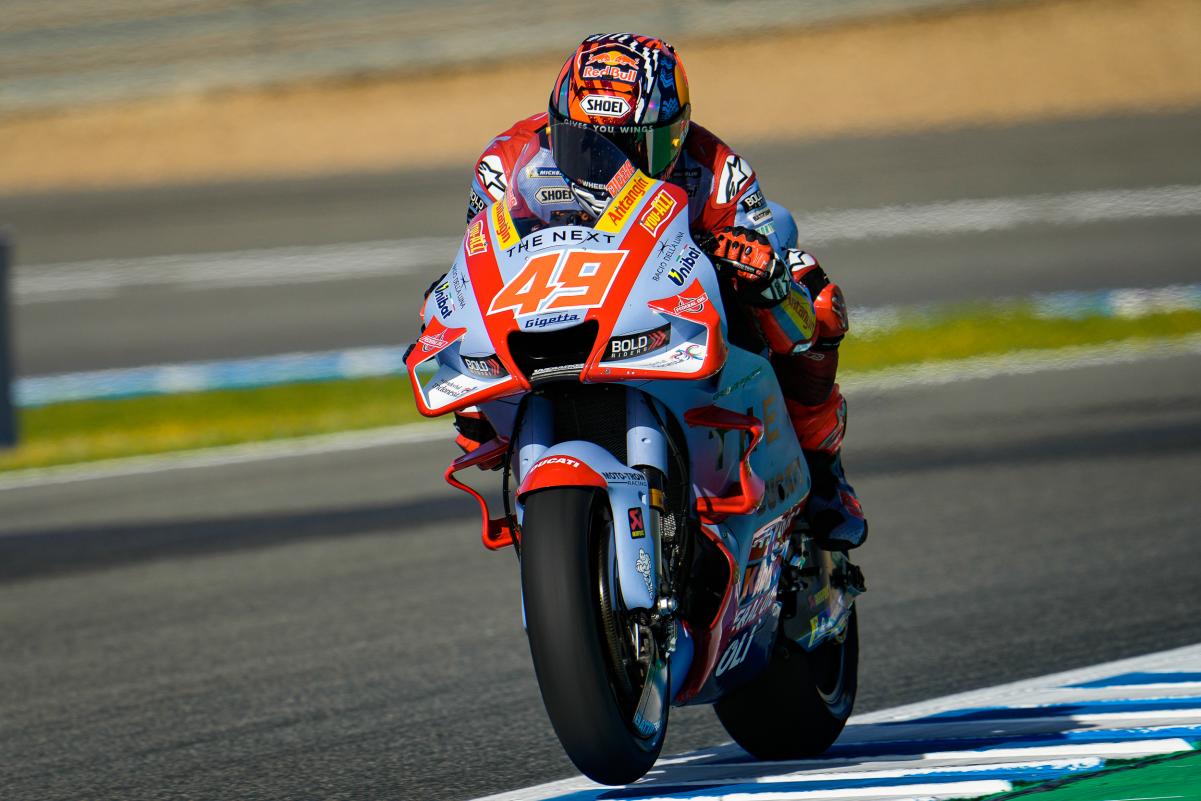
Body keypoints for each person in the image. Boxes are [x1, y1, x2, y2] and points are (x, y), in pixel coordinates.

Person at [444, 33, 866, 550]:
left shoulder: (718, 170)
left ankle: (823, 472)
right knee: (445, 315)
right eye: (586, 143)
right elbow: (480, 257)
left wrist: (763, 273)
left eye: (631, 146)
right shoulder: (505, 163)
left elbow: (771, 261)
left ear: (676, 134)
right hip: (559, 302)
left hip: (670, 304)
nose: (608, 163)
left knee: (810, 296)